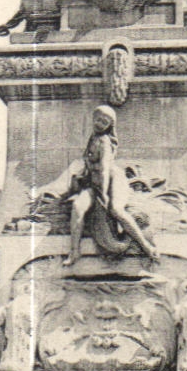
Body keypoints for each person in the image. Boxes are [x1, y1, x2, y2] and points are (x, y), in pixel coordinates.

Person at [66, 104, 158, 267]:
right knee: (77, 207)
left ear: (110, 125)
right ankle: (74, 251)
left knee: (116, 209)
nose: (100, 123)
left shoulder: (105, 141)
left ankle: (146, 246)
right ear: (93, 118)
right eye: (99, 119)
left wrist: (103, 196)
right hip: (95, 183)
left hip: (113, 180)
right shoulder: (92, 138)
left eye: (105, 122)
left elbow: (104, 170)